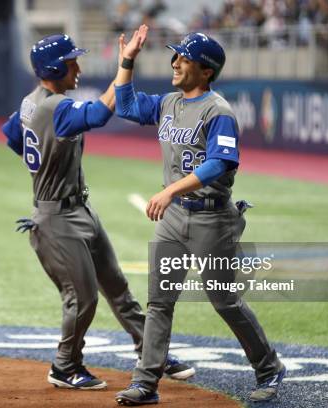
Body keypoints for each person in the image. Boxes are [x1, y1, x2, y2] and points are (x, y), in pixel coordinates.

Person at [1, 31, 194, 390]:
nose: (78, 67)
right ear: (55, 67)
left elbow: (14, 136)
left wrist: (44, 163)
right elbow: (102, 111)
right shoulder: (53, 107)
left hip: (78, 209)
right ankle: (64, 366)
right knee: (83, 298)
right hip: (57, 219)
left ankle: (152, 353)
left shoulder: (31, 103)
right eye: (72, 61)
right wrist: (126, 63)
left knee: (117, 287)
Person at [113, 28, 286, 405]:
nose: (175, 62)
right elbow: (124, 106)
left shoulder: (218, 111)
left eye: (185, 58)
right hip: (175, 219)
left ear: (206, 70)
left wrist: (171, 189)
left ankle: (269, 366)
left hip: (213, 221)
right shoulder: (168, 103)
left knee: (224, 300)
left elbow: (220, 162)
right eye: (176, 56)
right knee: (159, 302)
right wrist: (127, 61)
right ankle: (146, 382)